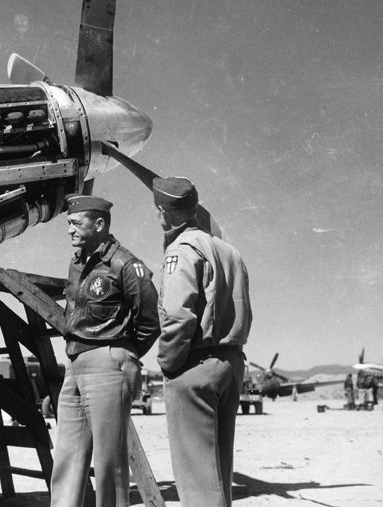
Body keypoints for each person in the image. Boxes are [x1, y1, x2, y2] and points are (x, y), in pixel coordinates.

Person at [50, 194, 160, 507]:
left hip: (109, 361)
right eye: (68, 223)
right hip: (75, 362)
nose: (69, 229)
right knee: (67, 460)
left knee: (109, 462)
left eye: (75, 223)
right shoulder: (77, 262)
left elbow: (150, 322)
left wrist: (120, 356)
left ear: (99, 224)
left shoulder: (125, 264)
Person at [153, 177, 252, 507]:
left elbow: (178, 316)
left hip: (195, 366)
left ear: (164, 214)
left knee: (197, 481)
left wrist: (168, 363)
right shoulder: (230, 251)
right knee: (219, 475)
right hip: (231, 362)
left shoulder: (181, 251)